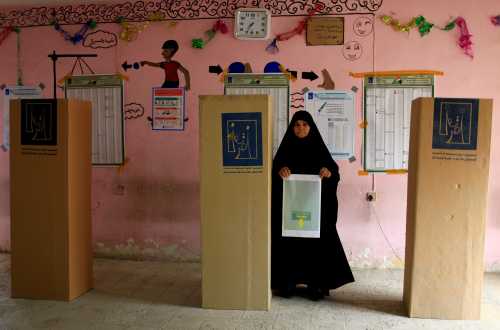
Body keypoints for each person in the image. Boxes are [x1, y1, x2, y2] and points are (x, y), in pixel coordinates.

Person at [271, 110, 354, 301]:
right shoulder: (286, 150)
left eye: (305, 125)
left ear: (311, 127)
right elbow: (273, 174)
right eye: (297, 125)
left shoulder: (319, 149)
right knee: (290, 244)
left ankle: (316, 285)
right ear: (292, 128)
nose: (301, 128)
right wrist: (279, 172)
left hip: (315, 209)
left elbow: (334, 173)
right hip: (290, 209)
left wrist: (328, 173)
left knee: (316, 244)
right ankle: (288, 282)